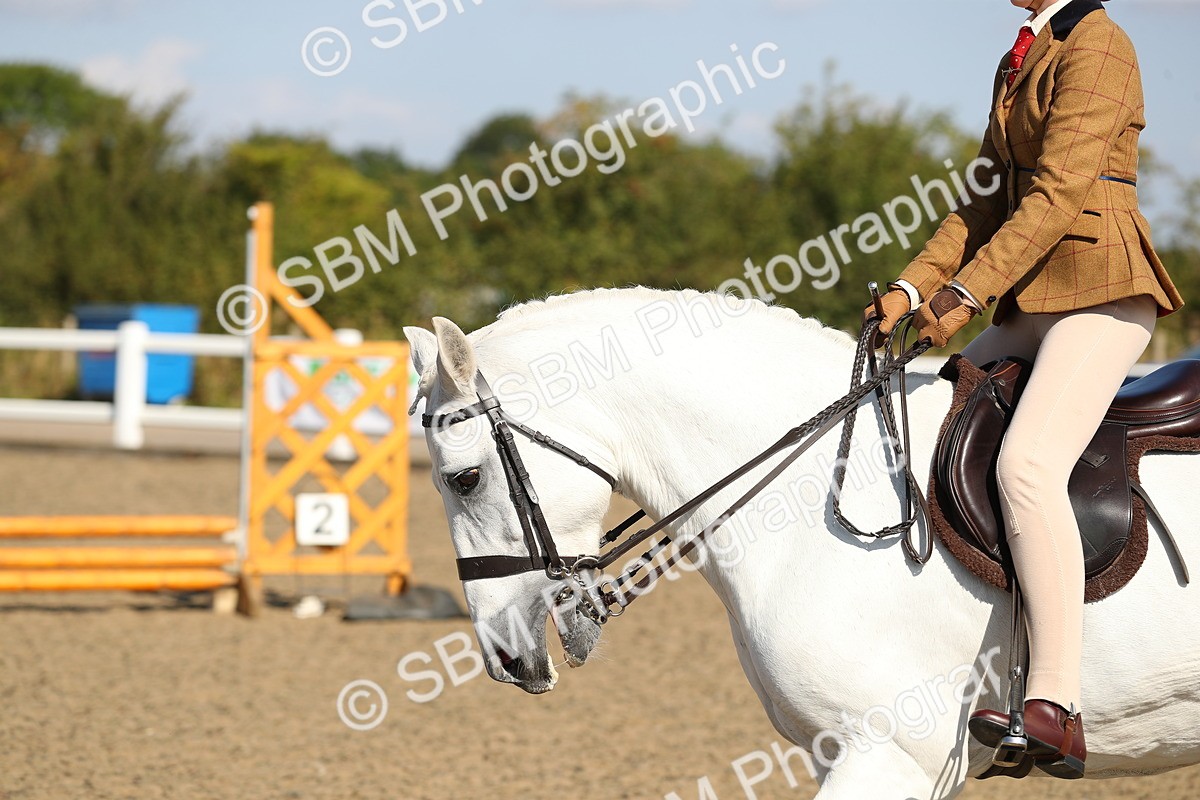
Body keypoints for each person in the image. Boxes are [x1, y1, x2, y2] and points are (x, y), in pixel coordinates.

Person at [864, 0, 1184, 781]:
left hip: (1103, 292)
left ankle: (1057, 704)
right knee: (931, 414)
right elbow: (979, 200)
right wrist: (911, 287)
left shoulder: (1101, 44)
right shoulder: (1021, 56)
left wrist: (965, 297)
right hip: (1034, 303)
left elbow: (1058, 193)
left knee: (1026, 467)